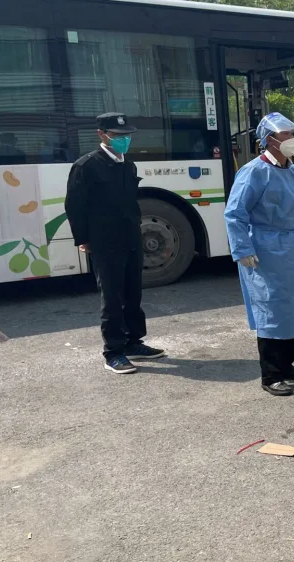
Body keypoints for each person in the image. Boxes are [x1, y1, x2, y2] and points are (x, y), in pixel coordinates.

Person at [224, 112, 294, 397]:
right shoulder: (253, 172)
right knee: (271, 310)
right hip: (265, 249)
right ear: (269, 140)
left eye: (293, 135)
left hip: (292, 248)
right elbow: (235, 214)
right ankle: (270, 374)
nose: (292, 140)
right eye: (285, 136)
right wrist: (242, 249)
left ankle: (286, 364)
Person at [65, 113, 165, 374]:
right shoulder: (86, 166)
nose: (124, 140)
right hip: (104, 241)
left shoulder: (127, 165)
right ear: (102, 135)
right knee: (112, 297)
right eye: (118, 136)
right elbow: (75, 207)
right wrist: (84, 239)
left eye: (127, 136)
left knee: (133, 294)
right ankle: (113, 352)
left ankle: (134, 341)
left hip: (131, 238)